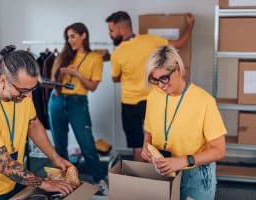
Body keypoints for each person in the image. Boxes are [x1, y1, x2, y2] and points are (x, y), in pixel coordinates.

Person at [0, 45, 76, 200]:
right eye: (23, 90)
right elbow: (4, 165)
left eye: (33, 88)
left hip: (10, 180)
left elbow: (33, 124)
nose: (28, 96)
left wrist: (54, 157)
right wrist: (44, 183)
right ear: (4, 80)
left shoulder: (23, 93)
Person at [105, 11, 195, 161]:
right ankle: (164, 182)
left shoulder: (117, 53)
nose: (110, 34)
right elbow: (179, 43)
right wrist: (191, 25)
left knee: (137, 146)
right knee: (160, 143)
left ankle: (140, 182)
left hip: (130, 104)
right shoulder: (151, 41)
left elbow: (115, 78)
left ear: (121, 30)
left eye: (111, 30)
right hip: (154, 101)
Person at [141, 45, 226, 200]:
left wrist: (183, 161)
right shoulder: (154, 96)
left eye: (164, 78)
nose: (160, 85)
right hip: (163, 170)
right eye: (155, 80)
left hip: (196, 175)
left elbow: (219, 150)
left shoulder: (204, 101)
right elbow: (149, 131)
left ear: (178, 69)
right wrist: (146, 145)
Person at [48, 22, 108, 195]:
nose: (69, 40)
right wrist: (60, 74)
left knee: (87, 144)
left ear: (84, 36)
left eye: (73, 36)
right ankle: (64, 183)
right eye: (67, 37)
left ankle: (99, 179)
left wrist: (77, 74)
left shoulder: (95, 58)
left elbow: (92, 87)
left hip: (77, 102)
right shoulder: (64, 56)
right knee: (60, 145)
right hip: (57, 100)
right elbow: (54, 82)